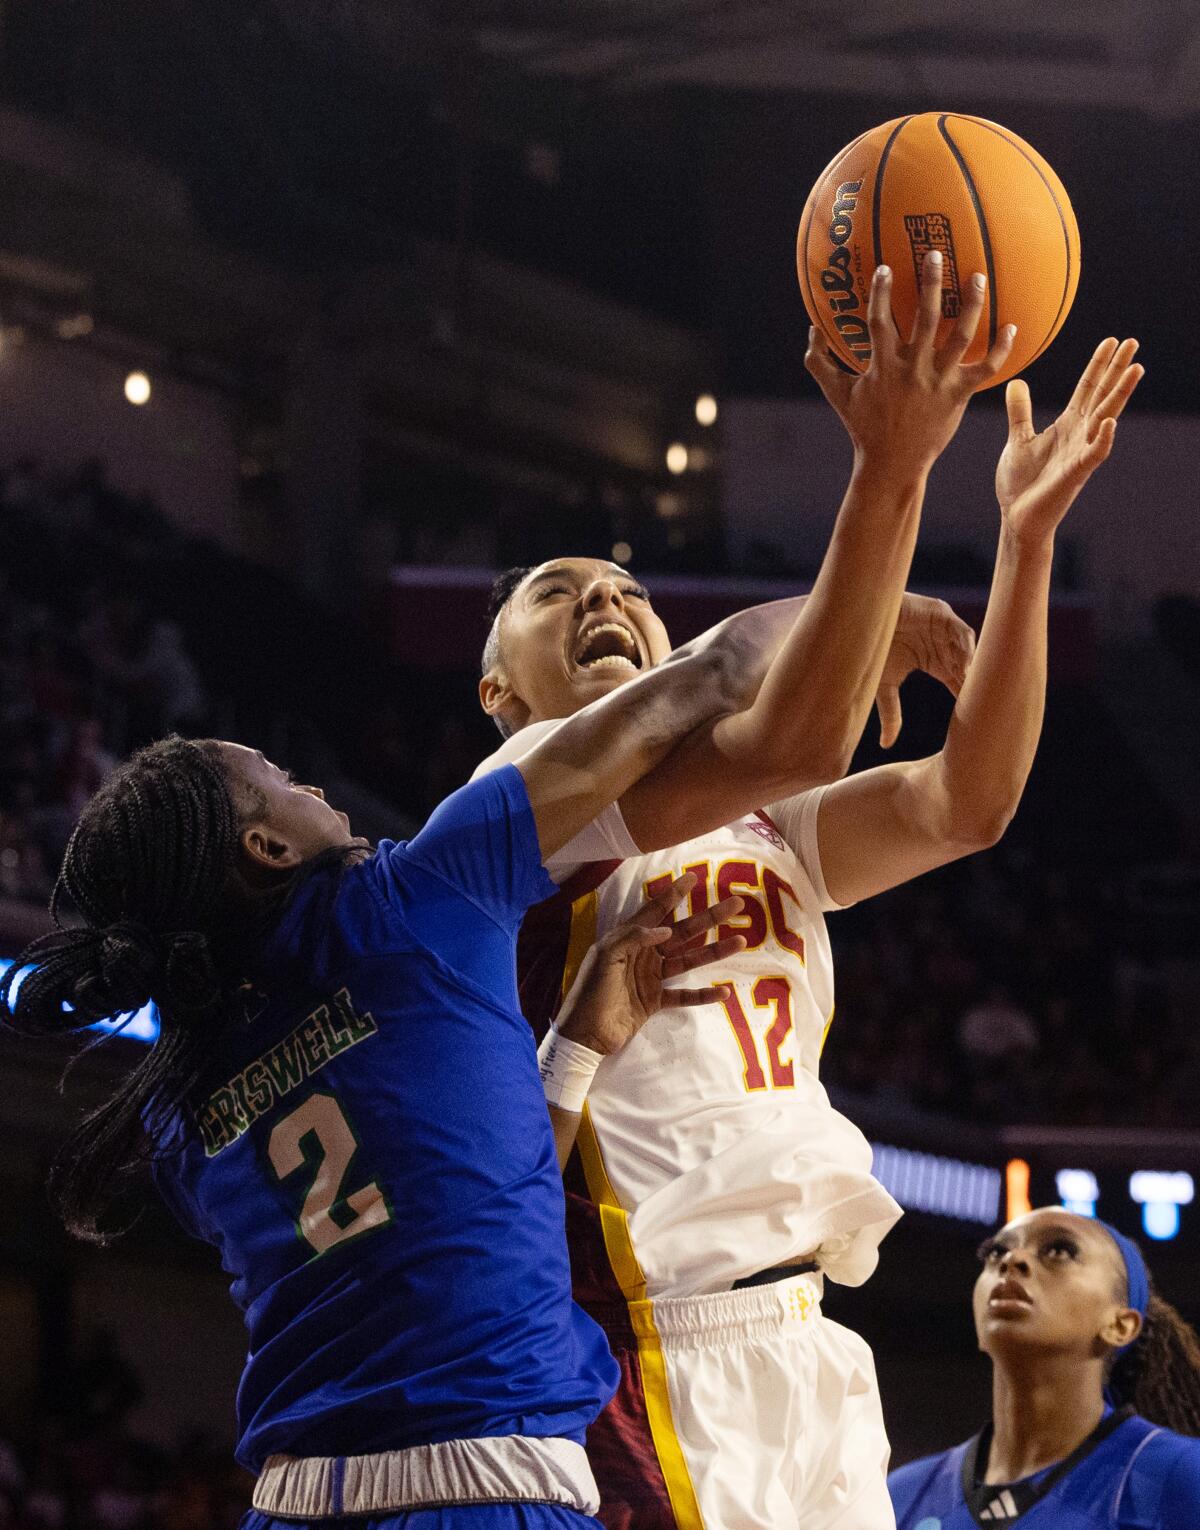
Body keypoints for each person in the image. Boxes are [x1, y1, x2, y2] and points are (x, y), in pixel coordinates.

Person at [474, 304, 1143, 1528]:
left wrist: (1026, 541)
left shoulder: (765, 824)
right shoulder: (512, 808)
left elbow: (968, 804)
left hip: (810, 1337)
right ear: (497, 685)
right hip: (653, 1339)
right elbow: (792, 728)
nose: (601, 601)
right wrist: (890, 471)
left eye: (624, 587)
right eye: (557, 594)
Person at [0, 620, 775, 1530]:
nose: (315, 783)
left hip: (297, 1503)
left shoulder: (180, 1112)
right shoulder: (414, 899)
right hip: (483, 1489)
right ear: (268, 850)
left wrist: (574, 1051)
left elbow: (457, 1204)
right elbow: (714, 672)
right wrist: (884, 597)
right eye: (282, 781)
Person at [888, 1206, 1200, 1527]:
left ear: (1120, 1326)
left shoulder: (1181, 1476)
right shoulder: (898, 1494)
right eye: (996, 1252)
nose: (1012, 1260)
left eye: (1058, 1250)